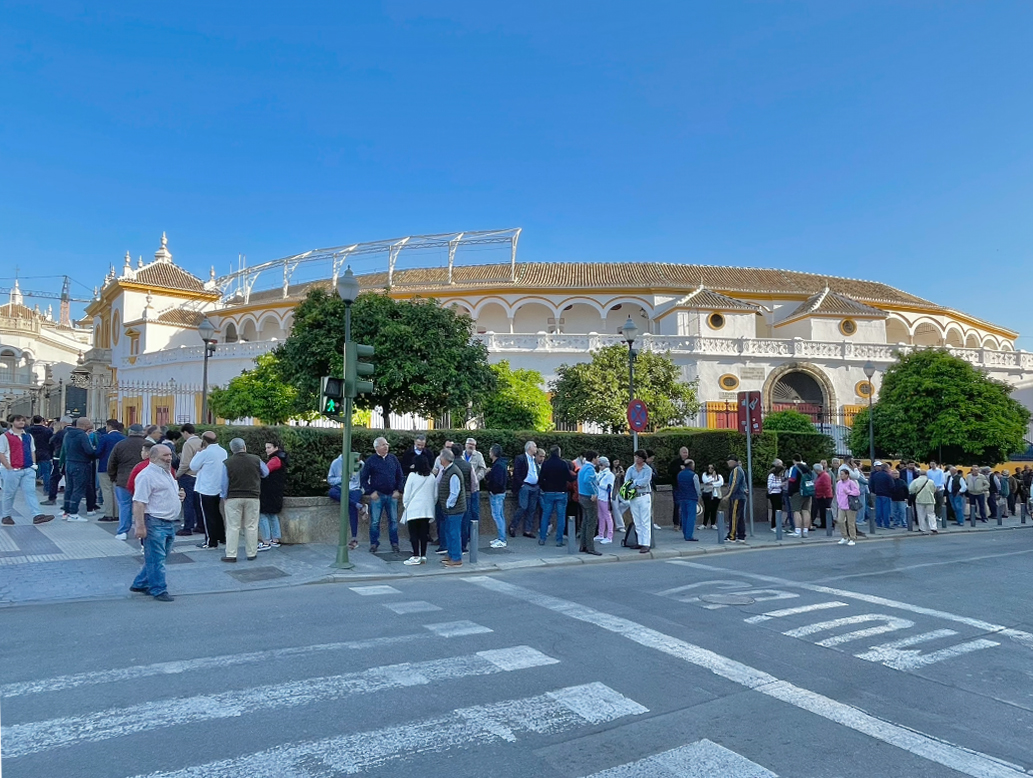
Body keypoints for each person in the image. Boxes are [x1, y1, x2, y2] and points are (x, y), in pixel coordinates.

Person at [129, 445, 186, 602]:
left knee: (158, 557)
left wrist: (179, 496)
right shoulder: (146, 475)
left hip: (169, 522)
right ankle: (159, 589)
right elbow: (139, 502)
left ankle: (140, 583)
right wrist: (140, 526)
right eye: (164, 456)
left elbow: (165, 493)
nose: (169, 458)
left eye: (170, 455)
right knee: (157, 559)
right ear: (153, 458)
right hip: (155, 521)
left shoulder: (167, 472)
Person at [220, 438, 268, 562]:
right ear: (244, 447)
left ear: (232, 449)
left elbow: (224, 483)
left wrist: (224, 496)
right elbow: (266, 472)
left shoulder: (227, 463)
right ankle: (251, 553)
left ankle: (231, 554)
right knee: (251, 526)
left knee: (232, 527)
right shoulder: (256, 459)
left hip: (233, 498)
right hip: (252, 496)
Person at [0, 415, 51, 525]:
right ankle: (6, 515)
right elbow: (1, 453)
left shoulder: (28, 436)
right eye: (18, 420)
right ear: (12, 422)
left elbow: (32, 450)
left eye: (23, 420)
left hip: (27, 468)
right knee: (9, 493)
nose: (22, 422)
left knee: (30, 492)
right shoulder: (5, 437)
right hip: (12, 469)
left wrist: (32, 465)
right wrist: (8, 467)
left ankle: (37, 515)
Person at [360, 437, 404, 554]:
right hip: (377, 495)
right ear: (376, 448)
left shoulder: (393, 459)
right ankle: (374, 543)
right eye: (383, 445)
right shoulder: (371, 461)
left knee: (394, 521)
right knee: (375, 521)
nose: (386, 446)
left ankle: (394, 543)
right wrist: (370, 492)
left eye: (387, 444)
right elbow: (363, 479)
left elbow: (400, 476)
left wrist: (398, 490)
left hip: (392, 494)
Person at [107, 424, 147, 540]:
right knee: (144, 506)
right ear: (142, 432)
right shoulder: (148, 445)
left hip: (123, 479)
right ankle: (143, 530)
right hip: (143, 481)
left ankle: (123, 531)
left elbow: (112, 463)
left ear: (129, 432)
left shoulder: (120, 445)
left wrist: (113, 477)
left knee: (124, 505)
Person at [190, 431, 228, 549]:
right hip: (218, 486)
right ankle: (222, 537)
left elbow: (193, 466)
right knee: (217, 513)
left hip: (206, 487)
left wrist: (198, 453)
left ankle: (210, 541)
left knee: (208, 516)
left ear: (204, 441)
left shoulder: (205, 453)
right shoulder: (223, 451)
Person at [401, 455, 436, 565]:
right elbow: (435, 495)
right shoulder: (432, 477)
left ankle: (416, 555)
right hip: (427, 510)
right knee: (424, 534)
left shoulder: (412, 476)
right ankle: (423, 555)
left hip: (414, 509)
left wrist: (406, 505)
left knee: (414, 534)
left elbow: (407, 493)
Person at [538, 445, 575, 546]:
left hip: (548, 493)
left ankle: (542, 538)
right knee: (561, 516)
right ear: (559, 452)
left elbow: (540, 478)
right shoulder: (563, 464)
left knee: (546, 515)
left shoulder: (546, 464)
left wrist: (545, 487)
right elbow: (569, 477)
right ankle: (559, 540)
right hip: (561, 492)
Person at [61, 418, 96, 521]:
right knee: (78, 489)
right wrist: (95, 451)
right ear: (85, 425)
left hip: (69, 463)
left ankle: (66, 511)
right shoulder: (82, 435)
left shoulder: (67, 434)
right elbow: (89, 451)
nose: (91, 424)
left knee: (69, 488)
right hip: (81, 464)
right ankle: (73, 513)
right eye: (89, 423)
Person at [328, 452, 364, 549]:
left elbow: (360, 478)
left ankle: (354, 538)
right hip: (340, 487)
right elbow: (330, 479)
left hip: (354, 489)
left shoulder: (358, 462)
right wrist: (342, 479)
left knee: (352, 509)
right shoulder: (336, 463)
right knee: (332, 492)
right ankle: (357, 504)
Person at [437, 447, 466, 567]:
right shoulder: (447, 470)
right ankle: (451, 554)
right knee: (449, 532)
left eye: (440, 457)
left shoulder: (453, 472)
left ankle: (456, 558)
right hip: (451, 509)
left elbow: (455, 491)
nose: (439, 459)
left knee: (454, 533)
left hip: (455, 509)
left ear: (444, 459)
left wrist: (449, 505)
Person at [258, 440, 288, 551]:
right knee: (272, 514)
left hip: (268, 491)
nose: (267, 450)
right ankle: (275, 539)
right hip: (276, 491)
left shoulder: (275, 460)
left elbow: (264, 471)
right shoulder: (281, 458)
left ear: (276, 448)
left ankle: (266, 541)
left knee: (263, 514)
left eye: (269, 447)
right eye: (266, 447)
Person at [94, 419, 125, 523]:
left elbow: (98, 452)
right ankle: (117, 514)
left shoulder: (105, 437)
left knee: (106, 490)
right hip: (119, 468)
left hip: (104, 467)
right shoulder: (124, 438)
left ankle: (109, 514)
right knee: (116, 490)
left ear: (109, 426)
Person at [624, 449, 654, 553]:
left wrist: (634, 483)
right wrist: (636, 484)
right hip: (634, 496)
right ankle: (640, 541)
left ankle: (646, 543)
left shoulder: (648, 469)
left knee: (645, 520)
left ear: (643, 459)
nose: (637, 459)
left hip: (644, 496)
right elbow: (627, 482)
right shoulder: (630, 469)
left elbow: (645, 482)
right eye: (636, 457)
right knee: (637, 520)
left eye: (639, 458)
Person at [508, 441, 540, 538]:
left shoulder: (534, 459)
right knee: (523, 507)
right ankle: (513, 526)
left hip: (535, 486)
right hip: (525, 485)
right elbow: (516, 472)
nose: (536, 448)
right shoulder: (520, 458)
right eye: (535, 446)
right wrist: (521, 484)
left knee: (532, 509)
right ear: (529, 448)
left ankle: (528, 530)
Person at [176, 423, 203, 536]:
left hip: (189, 476)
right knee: (198, 503)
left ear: (185, 432)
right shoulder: (202, 442)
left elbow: (185, 463)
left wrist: (177, 474)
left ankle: (188, 527)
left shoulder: (188, 444)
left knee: (188, 502)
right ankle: (200, 525)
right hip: (200, 476)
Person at [577, 450, 601, 555]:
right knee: (591, 522)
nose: (598, 460)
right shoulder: (590, 469)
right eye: (597, 457)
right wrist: (594, 493)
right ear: (594, 458)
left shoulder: (583, 467)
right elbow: (588, 481)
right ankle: (590, 547)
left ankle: (583, 545)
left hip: (582, 496)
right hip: (588, 497)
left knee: (585, 522)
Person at [463, 437, 487, 542]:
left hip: (474, 488)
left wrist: (476, 478)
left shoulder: (478, 455)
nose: (471, 446)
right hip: (463, 488)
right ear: (465, 445)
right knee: (465, 511)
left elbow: (483, 468)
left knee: (474, 511)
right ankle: (465, 533)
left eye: (473, 445)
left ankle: (474, 534)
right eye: (469, 444)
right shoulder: (461, 455)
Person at [485, 444, 508, 548]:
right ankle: (500, 537)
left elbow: (497, 482)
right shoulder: (501, 464)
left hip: (496, 494)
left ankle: (502, 539)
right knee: (500, 515)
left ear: (493, 453)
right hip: (500, 493)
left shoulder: (497, 466)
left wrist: (491, 489)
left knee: (497, 516)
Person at [27, 415, 53, 498]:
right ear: (42, 421)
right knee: (46, 473)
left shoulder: (28, 430)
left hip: (32, 453)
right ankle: (47, 490)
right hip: (45, 452)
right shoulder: (48, 431)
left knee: (31, 472)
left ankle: (30, 489)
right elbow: (51, 442)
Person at [675, 457, 701, 542]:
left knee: (684, 515)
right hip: (691, 497)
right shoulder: (694, 475)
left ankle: (685, 533)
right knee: (691, 516)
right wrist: (699, 496)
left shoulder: (679, 474)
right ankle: (689, 535)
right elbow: (697, 488)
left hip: (682, 497)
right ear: (691, 465)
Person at [786, 455, 813, 537]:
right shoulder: (807, 468)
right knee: (805, 510)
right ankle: (805, 531)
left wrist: (790, 492)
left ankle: (797, 531)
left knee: (796, 511)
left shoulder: (794, 468)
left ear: (794, 460)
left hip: (797, 491)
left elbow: (792, 480)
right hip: (807, 491)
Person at [834, 467, 860, 546]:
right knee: (840, 521)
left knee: (850, 522)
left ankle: (852, 538)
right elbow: (837, 493)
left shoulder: (851, 483)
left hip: (850, 506)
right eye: (840, 474)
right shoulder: (839, 483)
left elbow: (857, 492)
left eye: (842, 474)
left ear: (847, 475)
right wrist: (838, 502)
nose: (841, 476)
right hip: (841, 505)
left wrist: (848, 492)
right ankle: (844, 537)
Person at [668, 447, 692, 527]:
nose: (685, 454)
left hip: (687, 487)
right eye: (684, 452)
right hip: (677, 486)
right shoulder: (675, 462)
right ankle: (676, 523)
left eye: (686, 452)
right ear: (680, 453)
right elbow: (670, 472)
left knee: (686, 505)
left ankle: (684, 523)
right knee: (677, 504)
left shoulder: (690, 462)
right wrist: (679, 468)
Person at [726, 455, 747, 542]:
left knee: (734, 516)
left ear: (733, 461)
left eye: (729, 462)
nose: (728, 464)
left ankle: (732, 536)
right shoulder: (740, 470)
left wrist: (728, 495)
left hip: (737, 497)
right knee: (740, 517)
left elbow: (735, 483)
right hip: (741, 496)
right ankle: (741, 535)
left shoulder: (736, 470)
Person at [909, 468, 938, 534]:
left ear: (919, 474)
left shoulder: (915, 481)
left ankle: (922, 528)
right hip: (930, 499)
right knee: (931, 514)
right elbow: (934, 489)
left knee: (921, 514)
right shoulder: (931, 481)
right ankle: (933, 527)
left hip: (919, 499)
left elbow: (911, 490)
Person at [595, 456, 615, 545]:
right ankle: (601, 534)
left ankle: (609, 536)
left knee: (607, 516)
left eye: (600, 465)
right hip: (600, 497)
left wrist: (599, 484)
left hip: (605, 498)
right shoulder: (601, 473)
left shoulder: (609, 475)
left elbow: (609, 487)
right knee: (601, 516)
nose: (599, 466)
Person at [869, 461, 894, 529]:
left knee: (878, 510)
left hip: (877, 494)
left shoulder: (875, 475)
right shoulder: (888, 476)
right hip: (886, 494)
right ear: (886, 468)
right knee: (886, 510)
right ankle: (886, 524)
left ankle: (879, 524)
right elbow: (892, 486)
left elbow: (871, 484)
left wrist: (874, 491)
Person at [812, 463, 833, 530]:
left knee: (825, 510)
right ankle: (824, 523)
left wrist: (824, 495)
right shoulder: (821, 475)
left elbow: (827, 486)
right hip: (821, 495)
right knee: (822, 511)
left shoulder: (824, 476)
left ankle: (828, 523)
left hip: (824, 496)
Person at [767, 460, 784, 531]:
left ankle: (778, 525)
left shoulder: (779, 477)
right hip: (773, 494)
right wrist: (780, 485)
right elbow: (769, 485)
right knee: (775, 510)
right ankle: (774, 526)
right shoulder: (772, 475)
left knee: (779, 510)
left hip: (779, 493)